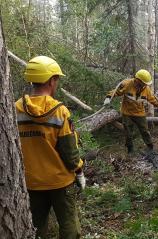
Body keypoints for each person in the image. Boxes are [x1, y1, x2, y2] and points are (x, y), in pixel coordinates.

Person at [15, 56, 85, 239]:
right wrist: (79, 171)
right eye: (57, 79)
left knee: (36, 229)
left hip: (31, 182)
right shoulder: (60, 111)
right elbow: (70, 153)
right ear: (52, 80)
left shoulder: (15, 108)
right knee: (70, 227)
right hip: (60, 182)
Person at [103, 69, 158, 155]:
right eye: (144, 83)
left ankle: (150, 147)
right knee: (128, 132)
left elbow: (153, 100)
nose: (145, 85)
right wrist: (108, 97)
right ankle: (130, 149)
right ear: (138, 80)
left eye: (146, 83)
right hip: (127, 113)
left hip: (139, 113)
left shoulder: (146, 89)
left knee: (144, 130)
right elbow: (115, 91)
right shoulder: (126, 84)